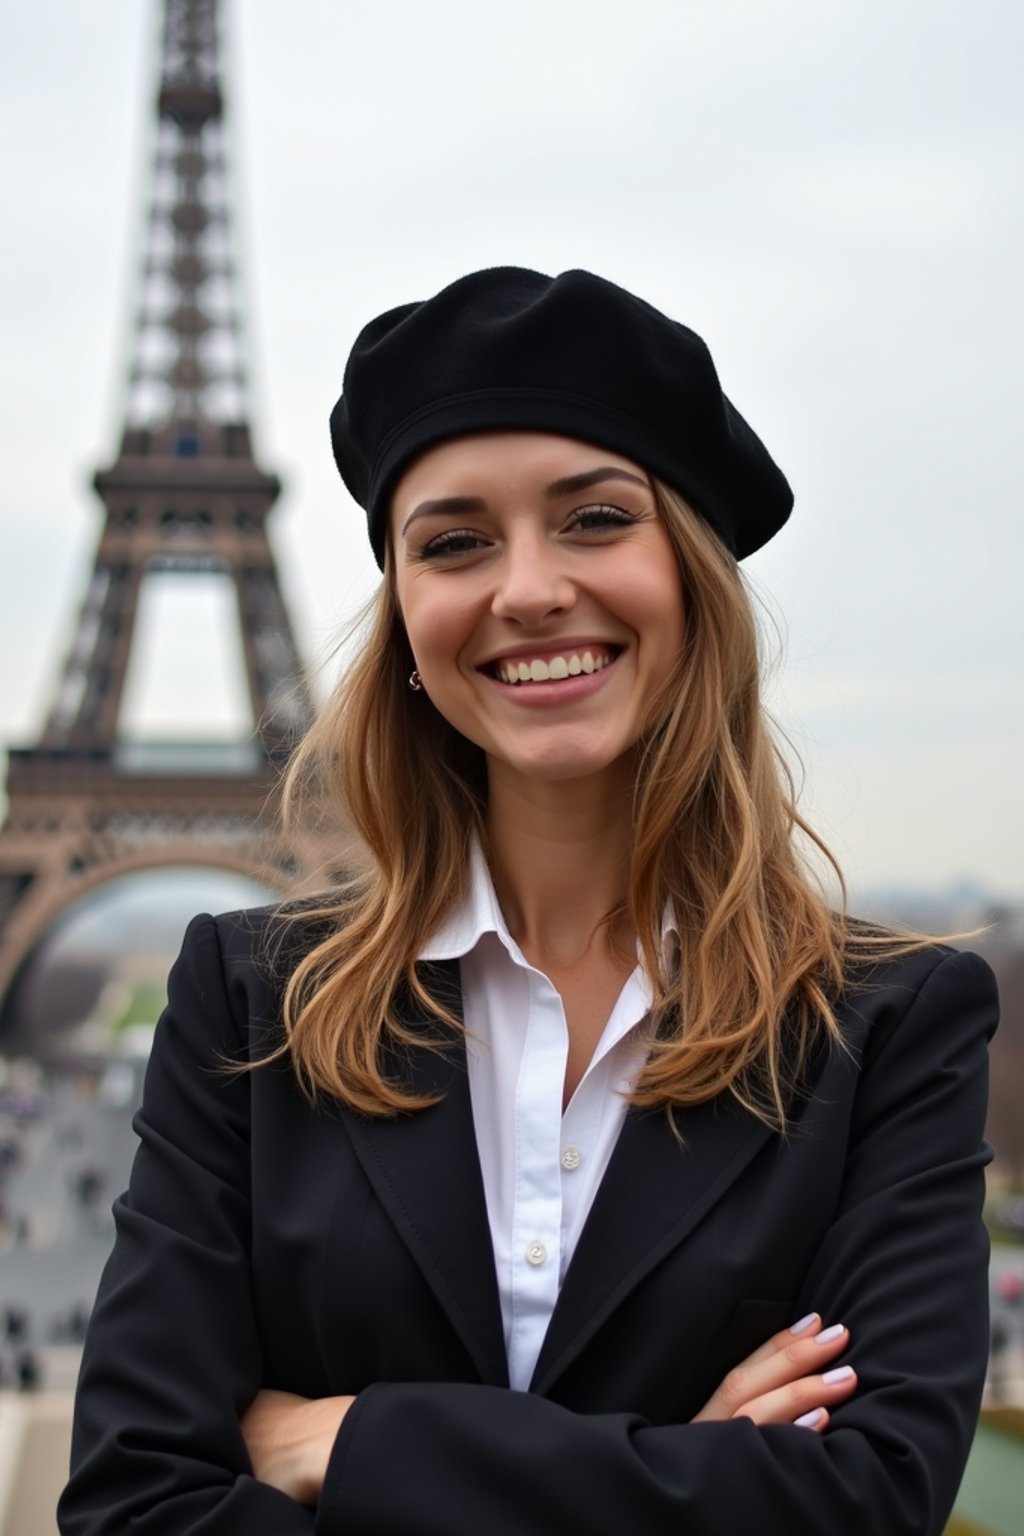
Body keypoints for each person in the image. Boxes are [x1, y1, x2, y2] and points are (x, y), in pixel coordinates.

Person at [58, 268, 998, 1536]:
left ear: (693, 580)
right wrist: (683, 1473)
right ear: (404, 617)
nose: (527, 589)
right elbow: (132, 1508)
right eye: (453, 542)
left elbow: (865, 1502)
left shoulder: (890, 1024)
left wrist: (345, 1439)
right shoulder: (247, 999)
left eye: (596, 519)